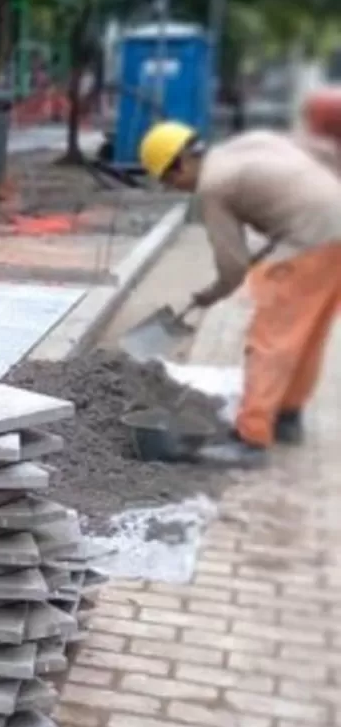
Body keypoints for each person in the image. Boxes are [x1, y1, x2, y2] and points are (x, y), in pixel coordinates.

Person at [140, 120, 341, 467]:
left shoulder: (212, 186)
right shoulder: (247, 145)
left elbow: (232, 269)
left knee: (270, 339)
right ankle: (287, 417)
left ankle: (251, 437)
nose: (179, 188)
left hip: (308, 239)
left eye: (171, 180)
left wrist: (209, 294)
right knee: (306, 334)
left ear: (181, 163)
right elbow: (319, 156)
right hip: (334, 225)